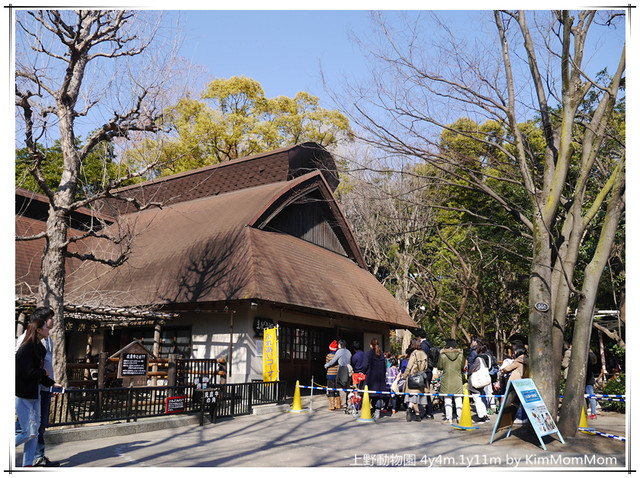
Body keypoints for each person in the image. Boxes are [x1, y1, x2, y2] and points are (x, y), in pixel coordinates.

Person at [15, 307, 60, 467]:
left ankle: (33, 460)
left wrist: (51, 383)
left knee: (36, 429)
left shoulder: (46, 341)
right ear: (40, 324)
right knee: (27, 429)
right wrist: (43, 376)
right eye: (49, 318)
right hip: (26, 391)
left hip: (40, 389)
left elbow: (43, 367)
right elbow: (25, 369)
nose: (52, 322)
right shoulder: (25, 342)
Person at [437, 338, 464, 423]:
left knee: (447, 400)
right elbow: (462, 366)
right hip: (457, 379)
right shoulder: (460, 355)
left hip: (446, 380)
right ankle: (460, 418)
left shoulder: (443, 355)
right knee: (458, 400)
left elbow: (439, 366)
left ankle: (449, 418)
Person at [401, 338, 429, 422]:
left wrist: (404, 376)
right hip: (420, 378)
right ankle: (417, 415)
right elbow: (426, 366)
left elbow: (409, 366)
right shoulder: (424, 354)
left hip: (413, 377)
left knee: (413, 396)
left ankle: (409, 409)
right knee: (416, 397)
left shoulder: (414, 354)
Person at [363, 338, 387, 419]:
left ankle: (369, 410)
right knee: (379, 395)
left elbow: (365, 365)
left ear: (370, 345)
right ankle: (378, 410)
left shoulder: (368, 354)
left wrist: (363, 372)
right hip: (380, 378)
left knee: (368, 395)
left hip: (371, 377)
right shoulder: (382, 354)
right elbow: (385, 367)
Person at [467, 341, 490, 422]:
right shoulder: (483, 359)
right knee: (480, 397)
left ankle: (481, 416)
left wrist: (467, 371)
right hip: (482, 382)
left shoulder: (477, 359)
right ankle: (485, 414)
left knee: (477, 399)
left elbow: (471, 370)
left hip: (476, 382)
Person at [324, 339, 352, 409]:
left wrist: (326, 365)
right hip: (348, 370)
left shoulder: (339, 352)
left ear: (340, 345)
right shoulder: (349, 351)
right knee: (345, 387)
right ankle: (344, 403)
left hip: (341, 370)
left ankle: (333, 405)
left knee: (335, 388)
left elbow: (332, 361)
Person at [415, 329, 435, 419]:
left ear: (419, 337)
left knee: (423, 392)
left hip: (424, 371)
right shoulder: (429, 344)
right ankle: (428, 411)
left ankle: (427, 412)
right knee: (426, 392)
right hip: (429, 371)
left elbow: (421, 360)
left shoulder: (423, 346)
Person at [325, 341, 340, 411]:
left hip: (330, 374)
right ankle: (338, 404)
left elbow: (327, 364)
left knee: (331, 390)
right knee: (337, 389)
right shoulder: (338, 355)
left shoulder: (328, 355)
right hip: (337, 374)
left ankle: (332, 405)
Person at [585, 350, 598, 419]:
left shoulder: (588, 363)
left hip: (588, 382)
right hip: (589, 381)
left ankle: (593, 413)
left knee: (591, 397)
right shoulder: (592, 362)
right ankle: (590, 412)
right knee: (588, 398)